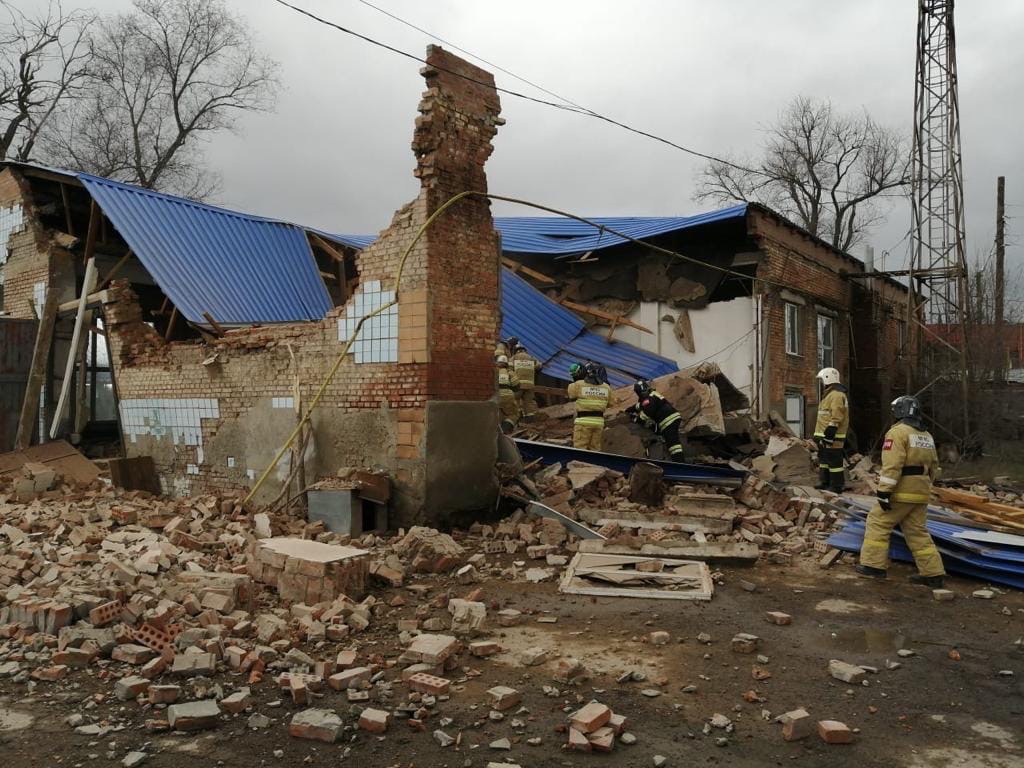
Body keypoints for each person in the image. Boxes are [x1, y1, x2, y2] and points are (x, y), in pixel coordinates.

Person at [855, 395, 945, 588]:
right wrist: (925, 486)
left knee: (878, 522)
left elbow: (893, 465)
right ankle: (933, 573)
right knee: (917, 532)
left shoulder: (897, 433)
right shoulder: (926, 436)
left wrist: (884, 492)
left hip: (901, 491)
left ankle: (873, 566)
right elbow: (935, 467)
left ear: (899, 411)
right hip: (921, 491)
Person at [627, 379, 684, 460]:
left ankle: (680, 463)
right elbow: (640, 406)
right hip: (672, 417)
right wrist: (629, 409)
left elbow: (646, 414)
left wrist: (636, 419)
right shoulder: (652, 395)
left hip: (668, 420)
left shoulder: (648, 399)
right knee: (670, 440)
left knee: (673, 445)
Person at [813, 367, 849, 493]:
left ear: (828, 378)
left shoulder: (837, 395)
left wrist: (830, 433)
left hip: (833, 435)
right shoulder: (829, 394)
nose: (822, 383)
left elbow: (837, 415)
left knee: (834, 461)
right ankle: (825, 482)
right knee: (824, 460)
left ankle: (837, 485)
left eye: (822, 380)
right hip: (825, 434)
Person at [566, 362, 612, 451]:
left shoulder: (577, 385)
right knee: (595, 449)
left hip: (583, 422)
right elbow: (610, 404)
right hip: (599, 423)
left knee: (580, 449)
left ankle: (580, 465)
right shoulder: (607, 387)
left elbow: (571, 395)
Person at [511, 342, 538, 418]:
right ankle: (530, 417)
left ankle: (518, 416)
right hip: (530, 385)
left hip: (518, 384)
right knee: (529, 402)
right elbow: (539, 365)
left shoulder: (514, 357)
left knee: (516, 400)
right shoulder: (531, 357)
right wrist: (532, 368)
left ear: (516, 350)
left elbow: (509, 368)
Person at [495, 354, 520, 432]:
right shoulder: (509, 372)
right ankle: (505, 429)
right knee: (513, 414)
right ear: (506, 364)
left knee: (498, 415)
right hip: (507, 396)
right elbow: (517, 385)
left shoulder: (492, 371)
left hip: (494, 397)